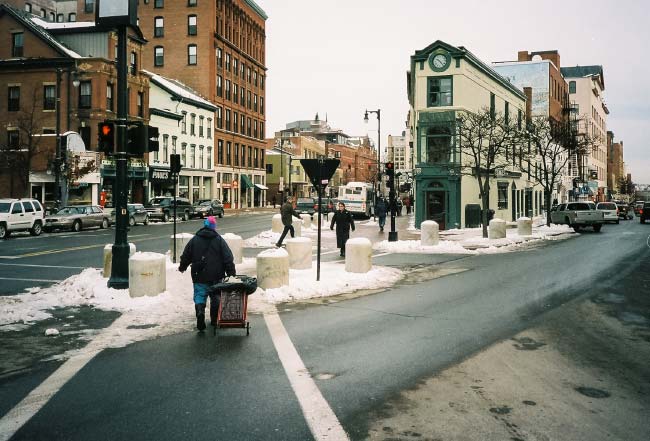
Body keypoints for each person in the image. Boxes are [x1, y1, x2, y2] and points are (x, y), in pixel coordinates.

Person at [179, 216, 236, 332]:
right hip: (216, 275)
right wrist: (231, 272)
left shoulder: (194, 239)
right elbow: (228, 257)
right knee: (215, 297)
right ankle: (214, 319)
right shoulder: (219, 240)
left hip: (199, 274)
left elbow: (186, 255)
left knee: (200, 294)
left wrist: (182, 267)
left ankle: (200, 312)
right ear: (214, 227)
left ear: (204, 225)